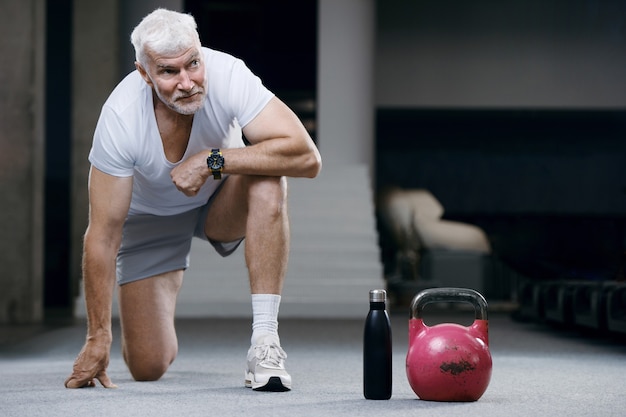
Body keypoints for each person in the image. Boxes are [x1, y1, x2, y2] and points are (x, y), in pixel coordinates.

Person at [64, 8, 321, 392]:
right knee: (148, 366)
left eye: (193, 64)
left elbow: (306, 156)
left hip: (220, 199)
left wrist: (211, 161)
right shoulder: (120, 117)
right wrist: (97, 336)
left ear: (201, 52)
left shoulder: (229, 74)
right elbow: (102, 235)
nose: (187, 82)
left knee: (269, 176)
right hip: (150, 222)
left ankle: (265, 341)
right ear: (144, 74)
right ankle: (165, 275)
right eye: (169, 72)